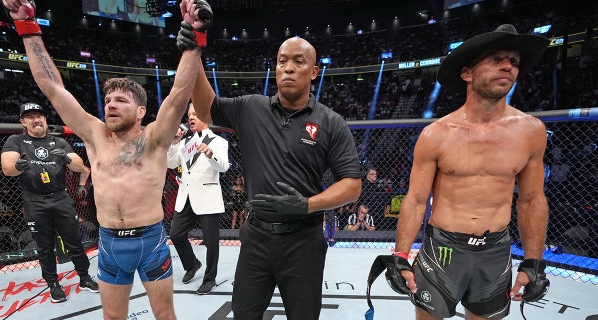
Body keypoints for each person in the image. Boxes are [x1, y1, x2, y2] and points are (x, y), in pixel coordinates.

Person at [0, 0, 211, 318]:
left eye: (121, 100)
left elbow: (180, 92)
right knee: (113, 317)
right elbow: (52, 88)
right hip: (110, 241)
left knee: (165, 315)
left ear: (141, 111)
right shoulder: (95, 135)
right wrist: (27, 26)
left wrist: (196, 36)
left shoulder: (153, 138)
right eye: (108, 99)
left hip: (151, 241)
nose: (110, 104)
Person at [181, 18, 362, 318]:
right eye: (282, 61)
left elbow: (352, 186)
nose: (288, 68)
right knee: (245, 315)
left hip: (304, 241)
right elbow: (205, 108)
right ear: (275, 69)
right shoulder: (251, 107)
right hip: (256, 237)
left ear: (314, 72)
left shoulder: (331, 122)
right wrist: (195, 50)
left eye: (298, 62)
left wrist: (306, 205)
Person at [388, 24, 551, 319]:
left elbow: (532, 199)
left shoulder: (531, 132)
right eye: (495, 58)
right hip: (443, 248)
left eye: (514, 62)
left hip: (495, 249)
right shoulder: (436, 134)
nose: (507, 66)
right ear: (467, 73)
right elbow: (415, 199)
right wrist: (400, 254)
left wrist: (534, 261)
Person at [0, 103, 97, 302]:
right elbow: (7, 169)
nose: (36, 120)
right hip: (34, 200)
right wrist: (19, 166)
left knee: (75, 242)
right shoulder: (16, 140)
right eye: (30, 117)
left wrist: (67, 160)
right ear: (23, 122)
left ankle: (85, 277)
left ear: (45, 119)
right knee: (44, 247)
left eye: (39, 116)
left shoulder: (58, 142)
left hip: (60, 198)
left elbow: (80, 167)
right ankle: (53, 284)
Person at [166, 103, 230, 294]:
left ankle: (210, 278)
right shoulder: (186, 142)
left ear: (206, 118)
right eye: (189, 114)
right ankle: (192, 264)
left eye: (195, 113)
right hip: (186, 196)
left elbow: (224, 167)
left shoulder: (219, 142)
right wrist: (174, 143)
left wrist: (210, 154)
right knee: (176, 234)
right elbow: (171, 163)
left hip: (208, 198)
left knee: (211, 243)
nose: (191, 117)